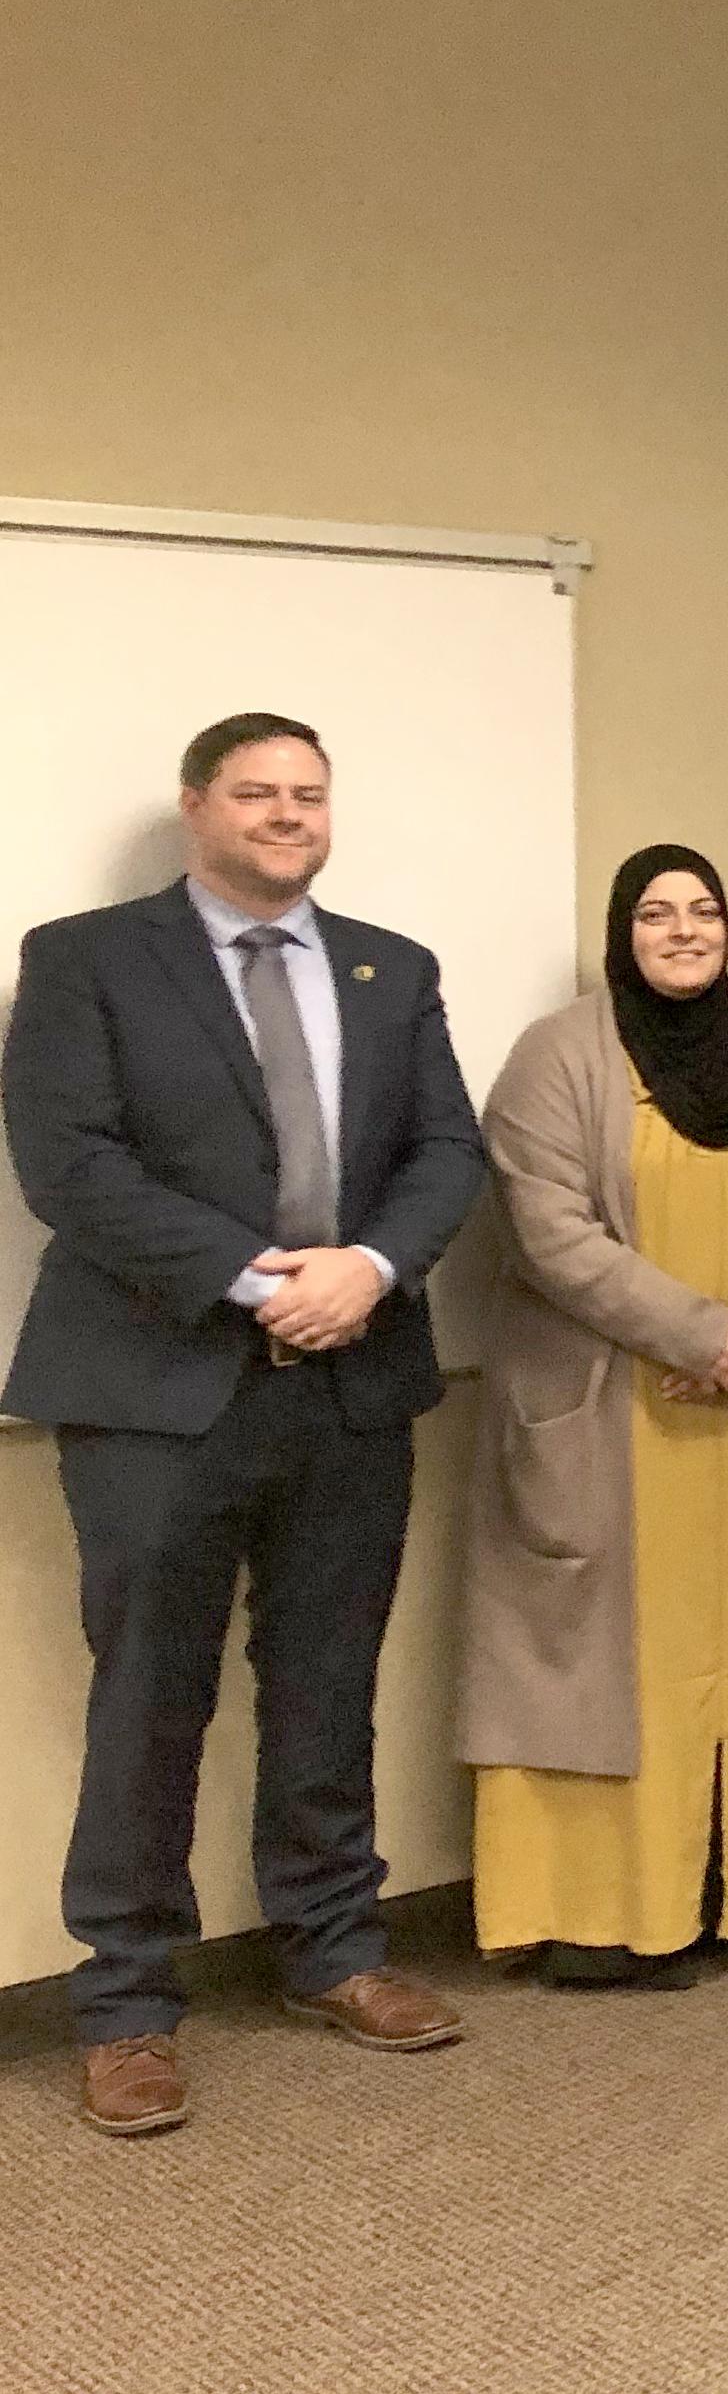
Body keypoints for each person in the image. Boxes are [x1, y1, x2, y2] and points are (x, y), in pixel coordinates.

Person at [5, 714, 488, 2137]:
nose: (288, 814)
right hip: (160, 1385)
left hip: (354, 1377)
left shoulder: (391, 968)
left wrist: (371, 1267)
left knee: (329, 1676)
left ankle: (333, 1950)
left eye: (309, 794)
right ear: (193, 807)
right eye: (258, 792)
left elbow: (448, 1148)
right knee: (150, 1691)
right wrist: (252, 1275)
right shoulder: (86, 957)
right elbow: (65, 1160)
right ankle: (127, 2001)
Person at [462, 845, 728, 1989]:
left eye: (703, 909)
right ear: (619, 931)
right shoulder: (554, 1057)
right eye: (656, 912)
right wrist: (702, 1334)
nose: (683, 929)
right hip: (612, 1412)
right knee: (598, 1669)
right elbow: (548, 1231)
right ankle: (599, 1915)